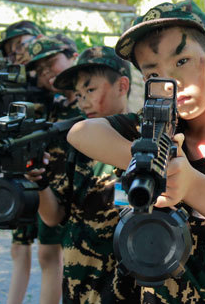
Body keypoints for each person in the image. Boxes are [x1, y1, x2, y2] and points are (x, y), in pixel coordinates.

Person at [66, 0, 205, 302]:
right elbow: (81, 133)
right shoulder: (155, 126)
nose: (170, 82)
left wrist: (191, 184)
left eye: (182, 61)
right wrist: (152, 162)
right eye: (153, 74)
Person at [26, 45, 140, 303]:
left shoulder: (145, 141)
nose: (83, 100)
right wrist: (39, 181)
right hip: (79, 290)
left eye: (90, 90)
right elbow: (54, 216)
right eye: (78, 94)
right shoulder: (73, 145)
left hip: (131, 291)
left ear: (122, 86)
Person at [8, 35, 82, 304]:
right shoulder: (53, 105)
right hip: (49, 191)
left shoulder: (91, 107)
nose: (47, 73)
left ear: (72, 57)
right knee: (48, 255)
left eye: (52, 63)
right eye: (40, 70)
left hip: (83, 193)